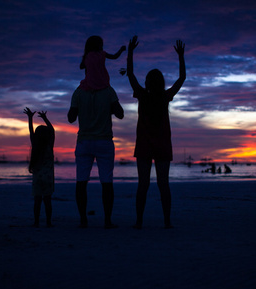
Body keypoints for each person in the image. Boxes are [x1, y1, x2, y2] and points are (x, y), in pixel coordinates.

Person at [127, 36, 186, 229]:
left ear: (148, 82)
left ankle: (138, 222)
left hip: (145, 146)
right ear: (160, 82)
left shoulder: (143, 95)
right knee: (163, 185)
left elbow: (130, 74)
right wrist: (181, 56)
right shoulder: (165, 96)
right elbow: (182, 78)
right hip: (161, 146)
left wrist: (130, 51)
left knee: (143, 185)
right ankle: (167, 222)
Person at [67, 85, 124, 229]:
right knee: (106, 182)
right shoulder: (108, 90)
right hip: (104, 141)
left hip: (84, 140)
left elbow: (71, 118)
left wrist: (83, 108)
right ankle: (107, 221)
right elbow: (120, 114)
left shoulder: (79, 92)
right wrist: (106, 108)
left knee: (81, 182)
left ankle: (83, 220)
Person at [24, 107, 55, 228]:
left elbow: (31, 132)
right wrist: (45, 118)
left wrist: (30, 118)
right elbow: (52, 131)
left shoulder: (36, 146)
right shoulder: (49, 146)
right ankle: (48, 222)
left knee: (37, 201)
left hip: (37, 179)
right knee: (47, 201)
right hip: (48, 179)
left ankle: (36, 222)